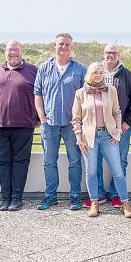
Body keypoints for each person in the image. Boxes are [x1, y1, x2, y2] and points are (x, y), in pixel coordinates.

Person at [72, 63, 131, 219]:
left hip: (108, 136)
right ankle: (95, 203)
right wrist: (79, 138)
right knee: (91, 171)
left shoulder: (111, 90)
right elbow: (76, 119)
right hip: (89, 138)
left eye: (101, 72)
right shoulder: (80, 93)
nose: (98, 74)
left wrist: (117, 132)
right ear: (89, 74)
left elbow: (117, 112)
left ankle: (125, 203)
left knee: (118, 171)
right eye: (95, 72)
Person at [34, 33, 87, 210]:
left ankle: (75, 197)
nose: (63, 47)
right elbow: (38, 94)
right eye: (60, 44)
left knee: (75, 161)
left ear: (71, 47)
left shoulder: (80, 69)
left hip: (73, 125)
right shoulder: (44, 68)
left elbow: (86, 97)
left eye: (67, 44)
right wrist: (42, 117)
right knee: (49, 161)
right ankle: (50, 196)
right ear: (54, 46)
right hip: (49, 124)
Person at [0, 40, 38, 211]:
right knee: (3, 162)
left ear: (21, 51)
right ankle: (5, 198)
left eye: (16, 50)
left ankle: (17, 198)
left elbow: (40, 95)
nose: (13, 53)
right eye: (10, 50)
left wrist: (38, 118)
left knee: (20, 162)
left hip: (24, 124)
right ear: (5, 52)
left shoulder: (33, 71)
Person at [96, 44, 131, 207]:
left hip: (121, 127)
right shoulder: (95, 73)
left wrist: (127, 122)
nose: (111, 55)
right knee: (96, 160)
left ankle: (116, 194)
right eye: (108, 52)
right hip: (99, 128)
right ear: (103, 54)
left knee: (120, 160)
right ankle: (99, 194)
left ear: (118, 55)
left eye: (114, 53)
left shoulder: (127, 75)